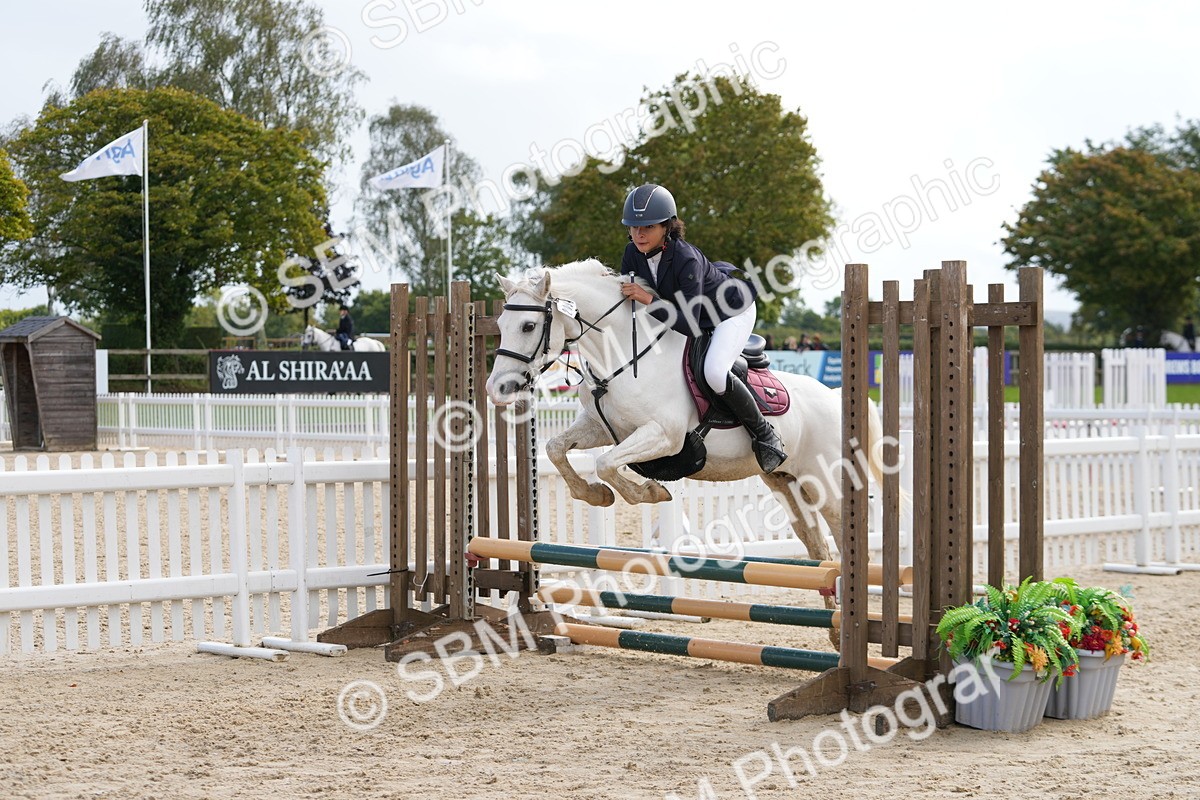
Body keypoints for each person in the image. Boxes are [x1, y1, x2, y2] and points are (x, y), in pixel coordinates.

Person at [618, 183, 786, 472]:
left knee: (714, 372)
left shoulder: (685, 258)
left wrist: (647, 298)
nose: (638, 234)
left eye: (647, 226)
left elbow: (690, 324)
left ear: (667, 226)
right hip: (690, 311)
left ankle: (765, 434)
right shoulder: (632, 253)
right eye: (633, 227)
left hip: (730, 311)